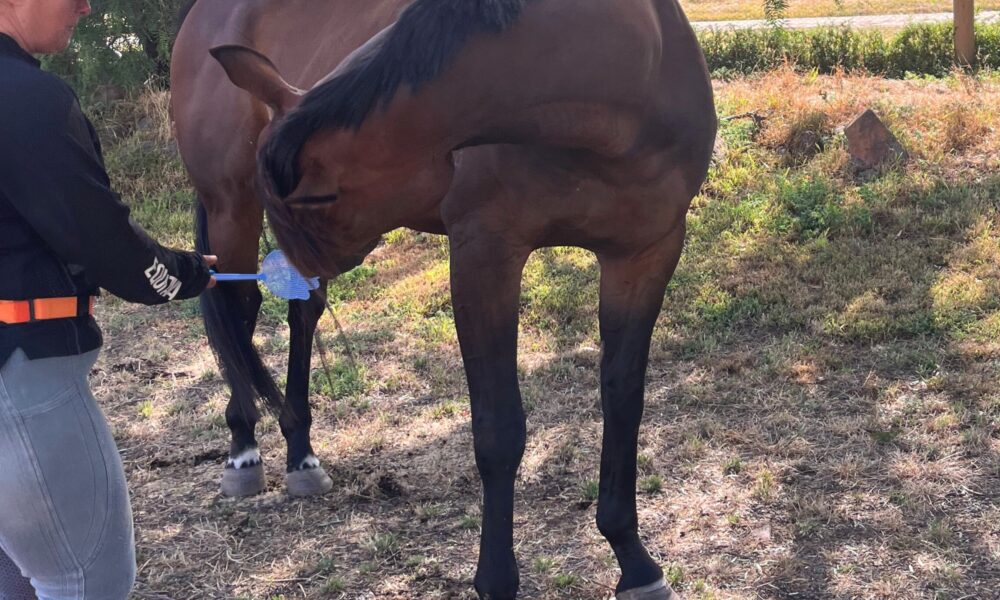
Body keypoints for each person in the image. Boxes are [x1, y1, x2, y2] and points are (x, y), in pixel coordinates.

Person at [0, 0, 218, 597]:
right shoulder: (26, 101)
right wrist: (186, 273)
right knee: (83, 580)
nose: (86, 5)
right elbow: (106, 244)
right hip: (25, 385)